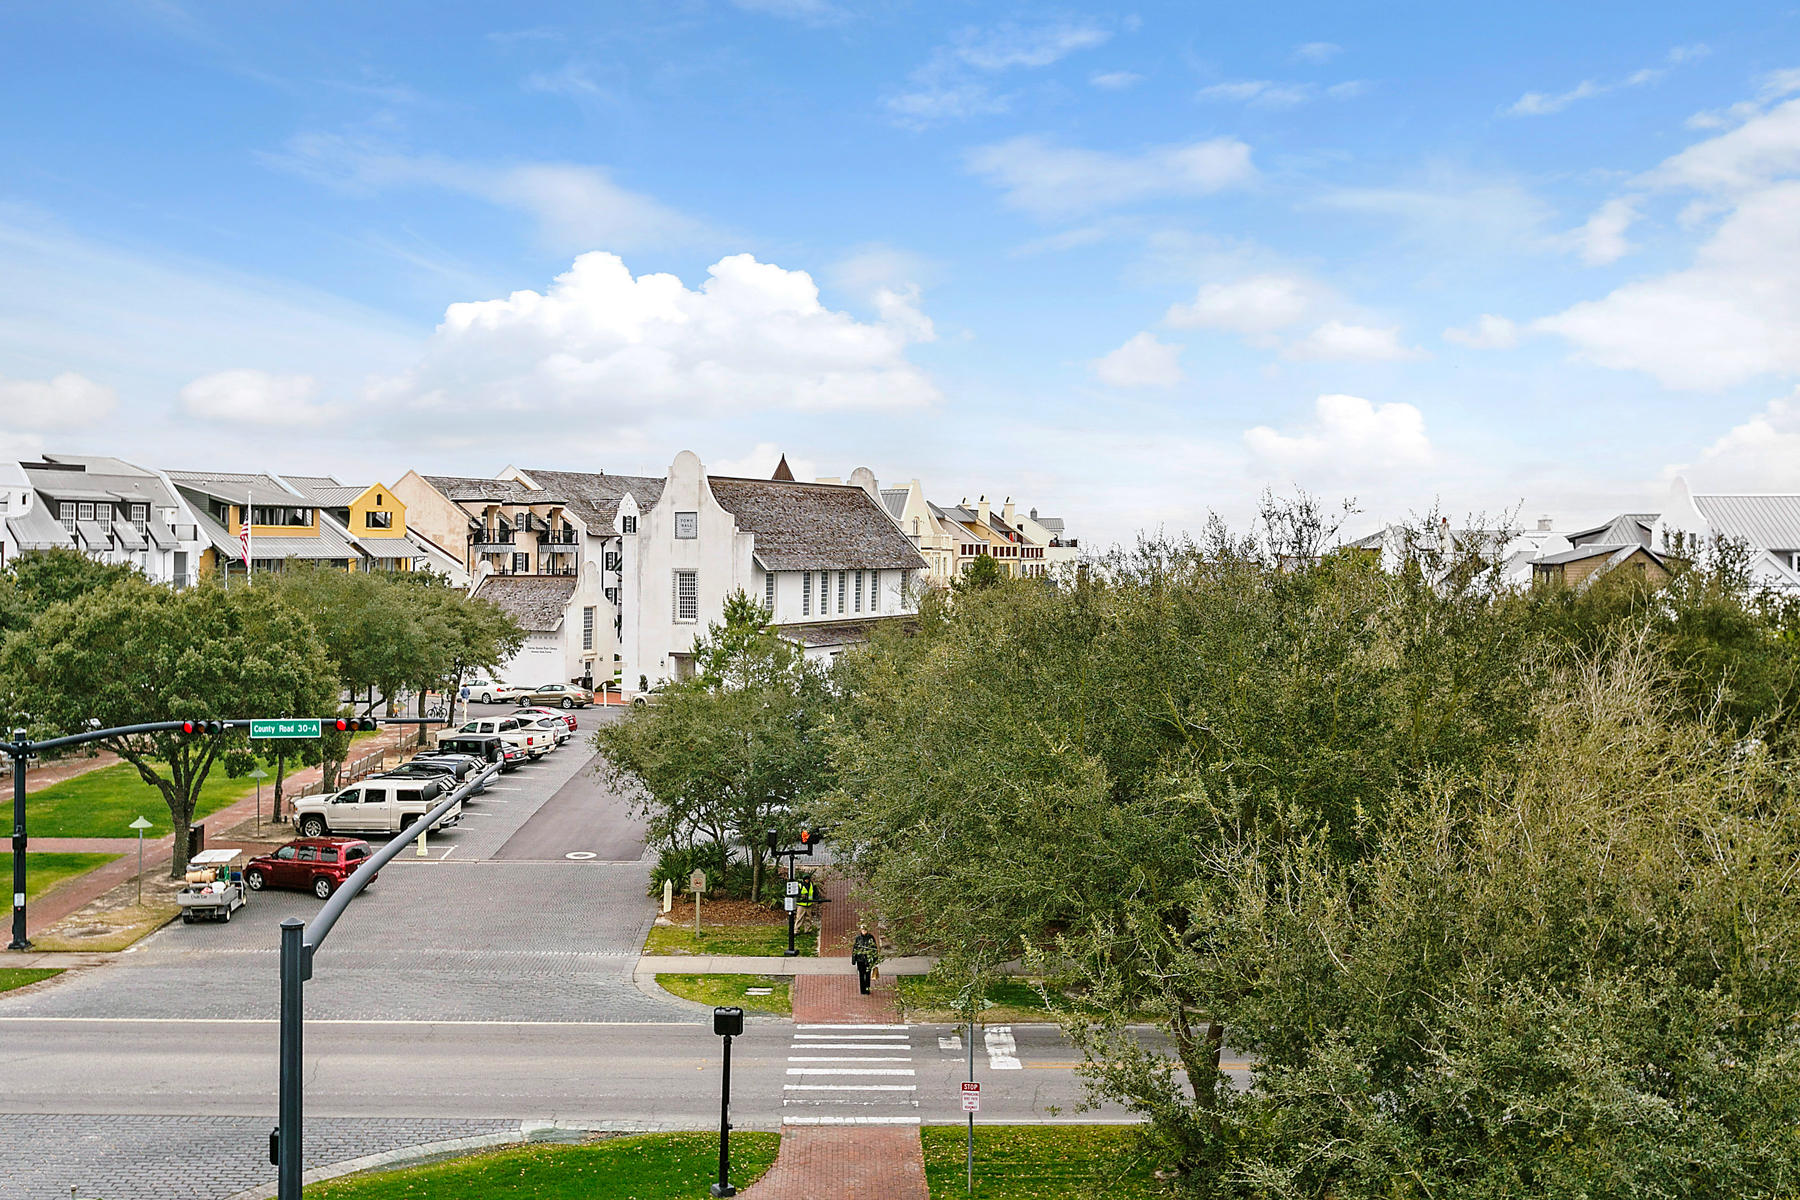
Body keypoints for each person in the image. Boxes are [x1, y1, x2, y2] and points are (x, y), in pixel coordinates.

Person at [851, 924, 879, 995]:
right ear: (861, 930)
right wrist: (854, 959)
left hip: (868, 960)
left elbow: (874, 948)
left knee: (867, 975)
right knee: (861, 975)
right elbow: (855, 949)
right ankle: (862, 990)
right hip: (860, 960)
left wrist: (875, 959)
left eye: (865, 930)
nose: (864, 931)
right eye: (863, 930)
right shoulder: (858, 938)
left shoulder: (871, 938)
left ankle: (867, 989)